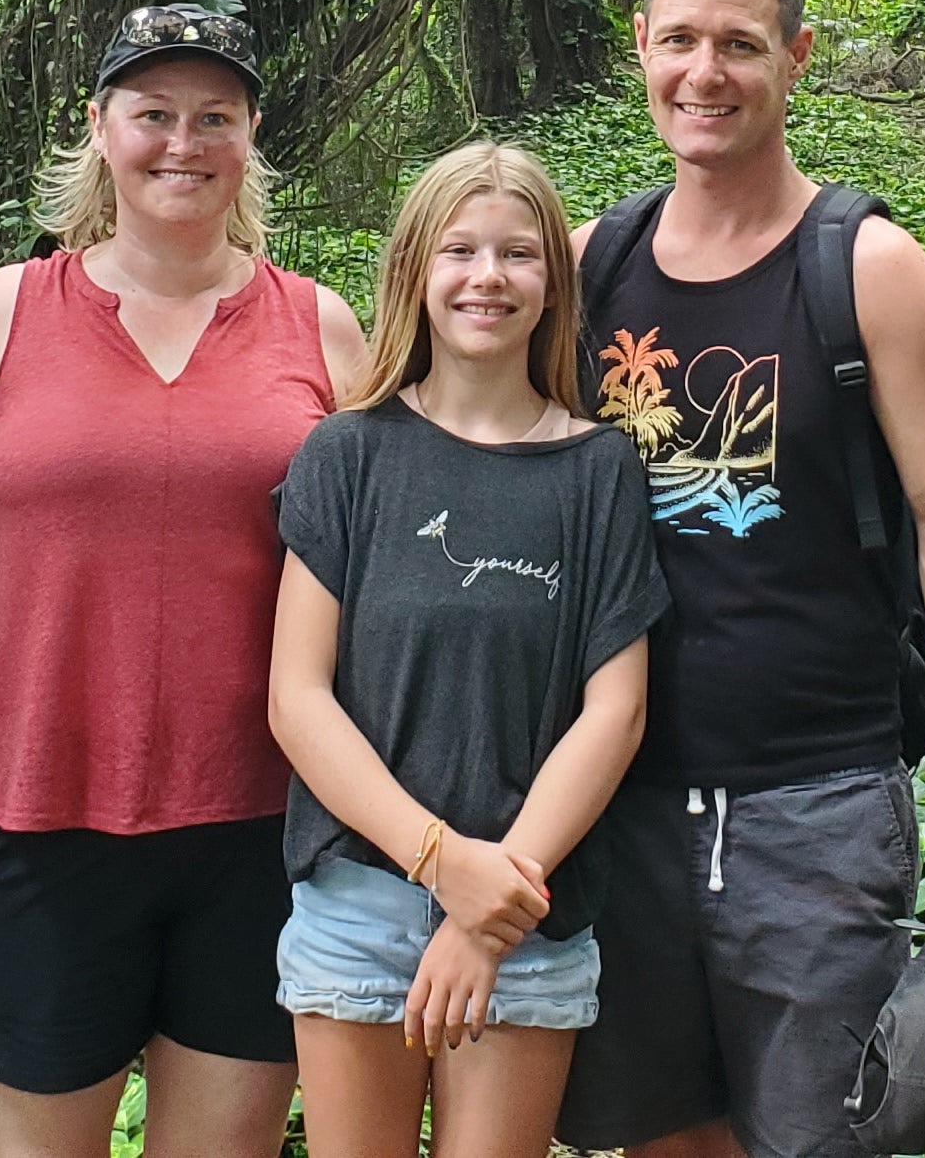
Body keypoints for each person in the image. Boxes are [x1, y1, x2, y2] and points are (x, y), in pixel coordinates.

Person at [553, 0, 925, 1158]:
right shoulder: (589, 264)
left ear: (797, 56)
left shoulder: (866, 267)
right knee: (660, 1135)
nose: (703, 74)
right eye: (678, 41)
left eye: (741, 45)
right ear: (638, 48)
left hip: (816, 805)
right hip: (623, 803)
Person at [0, 4, 369, 1158]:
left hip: (257, 821)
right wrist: (48, 623)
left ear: (250, 136)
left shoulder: (323, 328)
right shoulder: (5, 313)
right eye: (153, 113)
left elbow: (383, 573)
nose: (182, 143)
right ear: (101, 127)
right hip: (35, 809)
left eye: (215, 117)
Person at [267, 143, 668, 1158]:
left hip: (529, 911)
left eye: (517, 255)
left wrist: (494, 902)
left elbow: (613, 711)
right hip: (361, 898)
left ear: (553, 284)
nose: (487, 276)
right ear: (413, 272)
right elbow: (298, 698)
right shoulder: (346, 453)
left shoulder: (599, 473)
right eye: (459, 251)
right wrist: (442, 867)